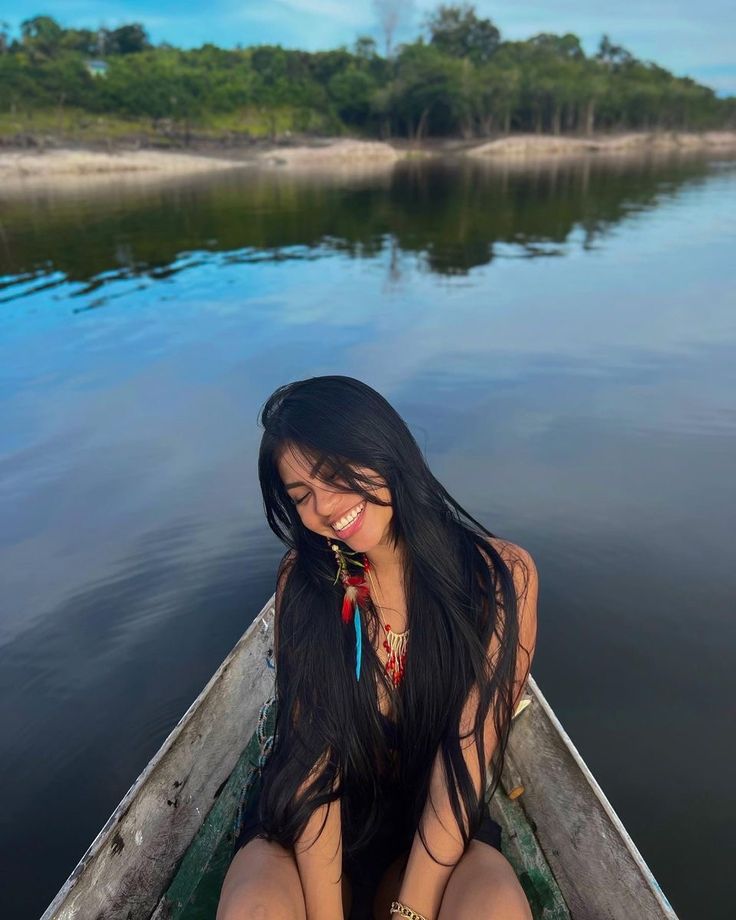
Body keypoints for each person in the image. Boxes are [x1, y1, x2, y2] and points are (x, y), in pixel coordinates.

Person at [217, 375, 537, 920]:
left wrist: (410, 911)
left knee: (498, 910)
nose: (326, 507)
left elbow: (468, 753)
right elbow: (316, 766)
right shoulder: (306, 580)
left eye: (336, 474)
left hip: (433, 821)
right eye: (302, 496)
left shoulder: (499, 579)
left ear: (384, 449)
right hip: (309, 826)